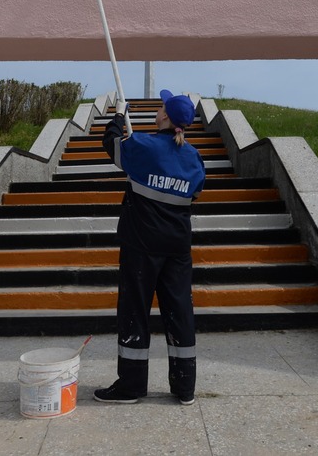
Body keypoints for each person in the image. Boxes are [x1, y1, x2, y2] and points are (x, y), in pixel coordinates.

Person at [93, 89, 207, 406]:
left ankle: (131, 387)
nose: (157, 111)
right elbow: (195, 192)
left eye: (160, 107)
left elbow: (111, 144)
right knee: (180, 312)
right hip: (177, 248)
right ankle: (185, 388)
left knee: (135, 312)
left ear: (166, 116)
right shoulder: (194, 157)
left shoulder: (143, 146)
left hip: (141, 246)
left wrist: (118, 114)